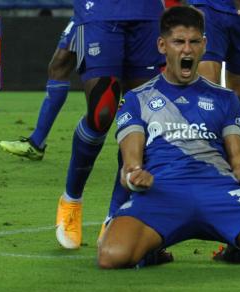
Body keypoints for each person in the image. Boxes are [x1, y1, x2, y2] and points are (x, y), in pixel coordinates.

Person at [98, 6, 240, 269]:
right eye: (178, 42)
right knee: (112, 256)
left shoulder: (225, 99)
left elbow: (237, 163)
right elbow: (129, 165)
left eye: (194, 42)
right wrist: (133, 176)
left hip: (220, 191)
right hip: (163, 193)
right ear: (162, 45)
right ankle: (153, 252)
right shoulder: (136, 100)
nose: (187, 50)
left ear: (204, 45)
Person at [54, 0, 166, 250]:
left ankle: (116, 214)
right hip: (99, 11)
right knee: (101, 112)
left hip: (147, 13)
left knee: (142, 116)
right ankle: (71, 200)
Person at [0, 17, 77, 161]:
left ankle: (37, 143)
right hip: (96, 12)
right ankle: (37, 142)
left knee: (59, 68)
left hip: (95, 12)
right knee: (59, 67)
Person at [188, 0, 240, 113]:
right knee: (209, 83)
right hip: (208, 8)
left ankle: (233, 129)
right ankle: (211, 130)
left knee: (239, 89)